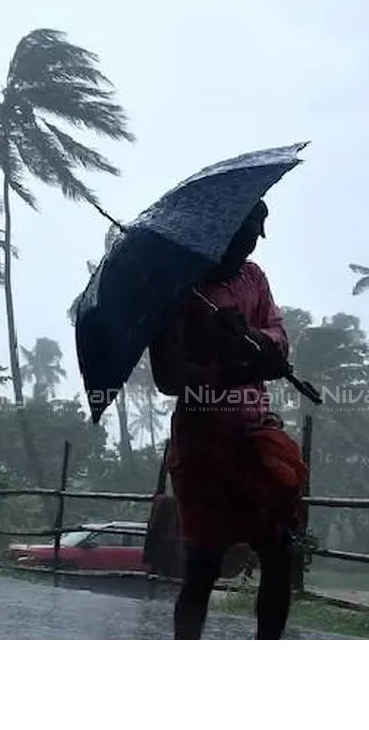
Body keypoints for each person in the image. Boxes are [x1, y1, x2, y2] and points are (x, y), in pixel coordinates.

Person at [149, 199, 308, 639]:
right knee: (203, 565)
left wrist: (249, 335)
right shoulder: (178, 290)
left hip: (256, 437)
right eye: (242, 234)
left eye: (256, 235)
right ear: (221, 231)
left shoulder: (254, 279)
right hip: (203, 447)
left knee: (278, 550)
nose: (249, 244)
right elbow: (167, 377)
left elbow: (278, 340)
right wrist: (224, 365)